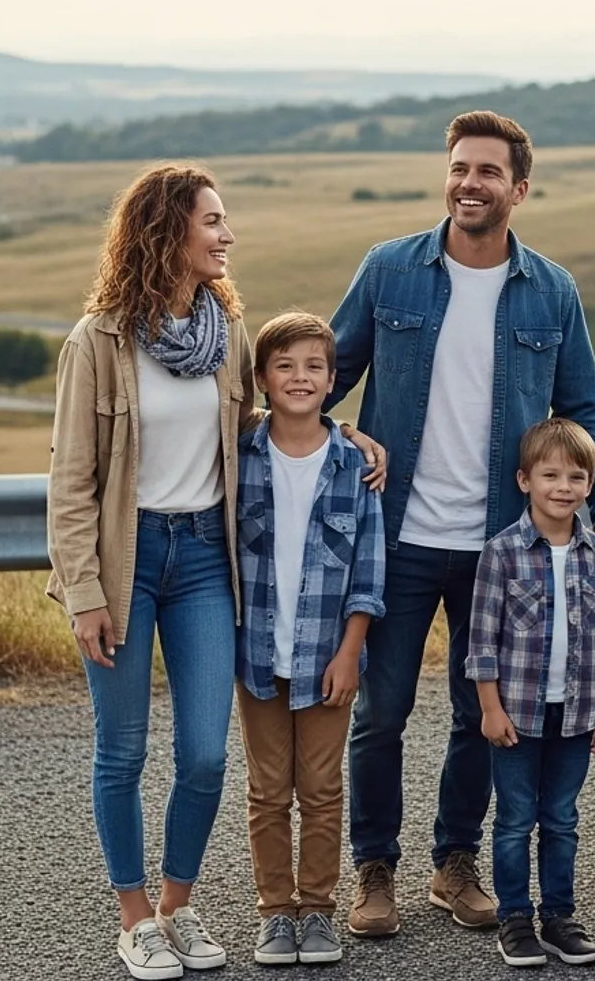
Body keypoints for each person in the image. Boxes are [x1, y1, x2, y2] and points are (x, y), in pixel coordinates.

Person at [46, 165, 384, 980]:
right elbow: (70, 479)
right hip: (127, 560)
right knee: (122, 750)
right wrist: (85, 591)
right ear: (168, 231)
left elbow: (264, 416)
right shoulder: (97, 342)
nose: (227, 236)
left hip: (204, 557)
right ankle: (134, 920)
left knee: (204, 754)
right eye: (213, 222)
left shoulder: (226, 333)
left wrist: (346, 435)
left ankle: (176, 906)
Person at [324, 110, 595, 937]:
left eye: (488, 171)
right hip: (398, 537)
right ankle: (374, 870)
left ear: (518, 190)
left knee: (476, 711)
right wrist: (344, 432)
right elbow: (322, 380)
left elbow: (587, 408)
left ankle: (453, 864)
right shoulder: (389, 271)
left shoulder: (551, 290)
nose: (469, 182)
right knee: (380, 711)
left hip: (502, 549)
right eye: (460, 167)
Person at [232, 312, 386, 967]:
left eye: (314, 367)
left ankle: (318, 910)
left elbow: (369, 567)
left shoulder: (355, 463)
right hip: (259, 652)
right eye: (285, 365)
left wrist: (351, 650)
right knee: (268, 789)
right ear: (262, 377)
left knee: (322, 787)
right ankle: (275, 913)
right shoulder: (238, 453)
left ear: (332, 379)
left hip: (329, 654)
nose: (300, 377)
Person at [466, 418, 595, 968]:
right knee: (514, 819)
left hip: (576, 714)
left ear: (589, 484)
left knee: (561, 817)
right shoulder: (502, 553)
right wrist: (489, 708)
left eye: (576, 477)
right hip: (517, 714)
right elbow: (481, 642)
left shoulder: (593, 555)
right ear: (524, 480)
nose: (563, 486)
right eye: (550, 474)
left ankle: (559, 917)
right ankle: (515, 919)